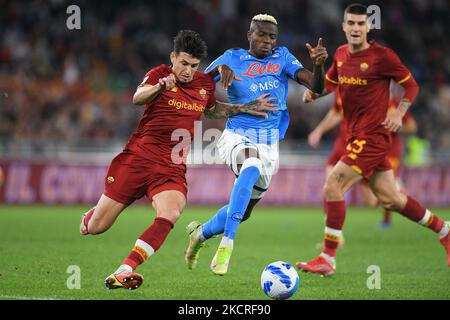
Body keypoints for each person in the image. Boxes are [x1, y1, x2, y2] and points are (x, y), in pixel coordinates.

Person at [79, 30, 277, 290]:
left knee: (171, 212)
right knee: (97, 227)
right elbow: (138, 97)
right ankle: (90, 218)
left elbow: (212, 108)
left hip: (171, 168)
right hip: (137, 160)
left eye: (194, 66)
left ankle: (124, 270)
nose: (187, 71)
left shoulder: (204, 84)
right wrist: (160, 87)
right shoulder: (160, 74)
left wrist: (243, 107)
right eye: (183, 63)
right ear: (173, 57)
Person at [296, 4, 449, 277]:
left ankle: (327, 258)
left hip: (373, 137)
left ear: (368, 27)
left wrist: (400, 113)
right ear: (344, 26)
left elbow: (412, 85)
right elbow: (328, 85)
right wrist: (314, 90)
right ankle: (444, 230)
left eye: (360, 24)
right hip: (356, 136)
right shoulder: (341, 54)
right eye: (351, 24)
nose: (355, 28)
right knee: (391, 200)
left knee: (333, 184)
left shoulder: (382, 56)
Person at [184, 14, 328, 276]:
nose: (266, 41)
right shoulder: (231, 58)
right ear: (249, 34)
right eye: (261, 34)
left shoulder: (282, 58)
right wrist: (217, 71)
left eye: (271, 36)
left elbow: (317, 85)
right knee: (250, 165)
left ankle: (200, 233)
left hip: (269, 144)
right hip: (236, 136)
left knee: (244, 211)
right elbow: (194, 86)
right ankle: (227, 245)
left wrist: (319, 66)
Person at [306, 86, 417, 229]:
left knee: (372, 201)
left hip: (373, 149)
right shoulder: (343, 88)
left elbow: (411, 125)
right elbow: (337, 112)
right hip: (343, 144)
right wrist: (319, 130)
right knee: (329, 186)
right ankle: (333, 235)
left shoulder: (387, 101)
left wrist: (393, 124)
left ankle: (397, 200)